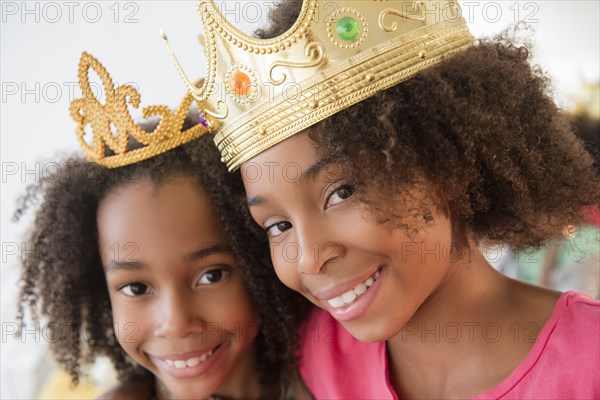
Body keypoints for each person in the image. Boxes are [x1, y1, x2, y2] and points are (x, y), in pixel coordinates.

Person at [166, 0, 600, 398]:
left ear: (445, 156)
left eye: (342, 192)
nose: (309, 258)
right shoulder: (319, 358)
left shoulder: (590, 361)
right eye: (278, 226)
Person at [16, 52, 309, 399]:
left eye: (212, 275)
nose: (175, 322)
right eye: (136, 288)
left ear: (259, 263)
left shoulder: (335, 373)